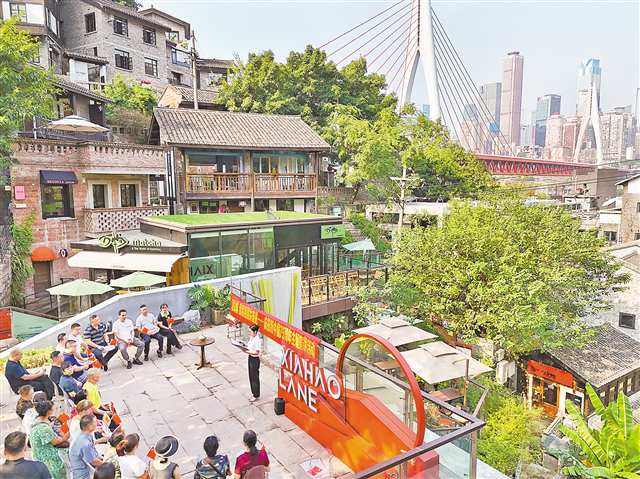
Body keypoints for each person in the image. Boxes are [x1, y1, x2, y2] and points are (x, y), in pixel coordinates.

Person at [30, 400, 70, 479]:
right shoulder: (43, 428)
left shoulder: (37, 420)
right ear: (48, 412)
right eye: (53, 409)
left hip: (40, 455)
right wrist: (67, 435)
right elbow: (56, 441)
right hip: (47, 459)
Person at [70, 414, 103, 479]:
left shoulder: (85, 435)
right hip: (83, 475)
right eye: (95, 422)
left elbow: (93, 451)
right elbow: (93, 461)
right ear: (89, 426)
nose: (97, 423)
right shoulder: (85, 443)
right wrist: (107, 463)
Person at [245, 325, 262, 402]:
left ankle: (256, 395)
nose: (249, 333)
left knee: (254, 377)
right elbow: (249, 346)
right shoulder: (252, 338)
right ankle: (253, 393)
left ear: (255, 332)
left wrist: (248, 351)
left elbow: (257, 352)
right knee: (251, 376)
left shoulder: (257, 340)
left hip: (255, 360)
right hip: (250, 358)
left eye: (250, 332)